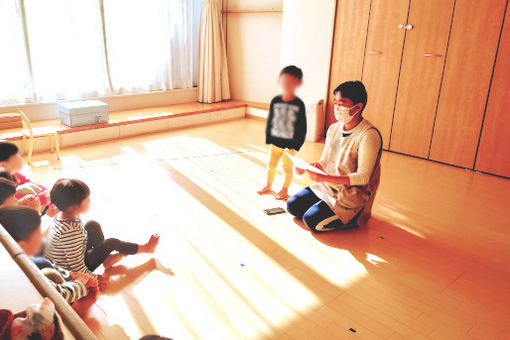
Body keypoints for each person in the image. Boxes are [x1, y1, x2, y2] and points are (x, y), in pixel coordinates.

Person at [287, 81, 382, 232]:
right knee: (292, 206)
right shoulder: (334, 129)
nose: (337, 108)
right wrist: (311, 166)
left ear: (358, 107)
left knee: (311, 221)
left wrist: (326, 178)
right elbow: (326, 161)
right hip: (330, 185)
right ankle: (328, 206)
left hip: (352, 194)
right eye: (335, 102)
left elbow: (363, 177)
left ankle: (356, 215)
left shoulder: (368, 135)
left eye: (342, 103)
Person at [44, 178, 160, 290]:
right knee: (112, 243)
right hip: (70, 269)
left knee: (92, 225)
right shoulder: (69, 233)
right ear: (74, 207)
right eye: (87, 199)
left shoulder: (63, 216)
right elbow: (77, 268)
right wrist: (96, 278)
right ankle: (146, 248)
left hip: (73, 254)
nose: (89, 201)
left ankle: (106, 259)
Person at [0, 206, 99, 317]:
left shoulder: (23, 259)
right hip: (43, 306)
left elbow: (51, 265)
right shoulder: (26, 275)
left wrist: (72, 275)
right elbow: (57, 295)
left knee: (43, 263)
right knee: (48, 273)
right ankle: (74, 309)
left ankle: (74, 290)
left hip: (45, 274)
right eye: (38, 233)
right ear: (22, 246)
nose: (42, 237)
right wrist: (80, 283)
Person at [257, 65, 307, 200]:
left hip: (290, 145)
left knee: (287, 168)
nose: (287, 85)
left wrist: (296, 146)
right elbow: (271, 120)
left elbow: (302, 127)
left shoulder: (299, 104)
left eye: (291, 82)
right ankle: (268, 185)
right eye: (284, 81)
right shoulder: (275, 100)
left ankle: (284, 189)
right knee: (271, 165)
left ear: (298, 83)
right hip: (275, 142)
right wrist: (269, 138)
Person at [0, 141, 50, 205]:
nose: (20, 158)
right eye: (16, 155)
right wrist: (46, 197)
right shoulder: (2, 184)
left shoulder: (14, 175)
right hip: (14, 211)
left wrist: (46, 191)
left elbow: (30, 182)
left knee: (30, 185)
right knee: (25, 189)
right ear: (3, 164)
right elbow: (18, 200)